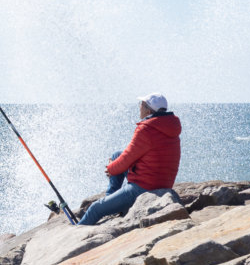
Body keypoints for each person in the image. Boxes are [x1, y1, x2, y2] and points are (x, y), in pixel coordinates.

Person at [77, 93, 181, 226]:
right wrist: (115, 166)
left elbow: (127, 159)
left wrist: (111, 169)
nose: (139, 107)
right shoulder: (171, 127)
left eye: (141, 105)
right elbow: (127, 155)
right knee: (117, 155)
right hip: (162, 182)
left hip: (144, 187)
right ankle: (112, 200)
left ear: (148, 110)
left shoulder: (146, 129)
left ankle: (78, 231)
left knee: (95, 208)